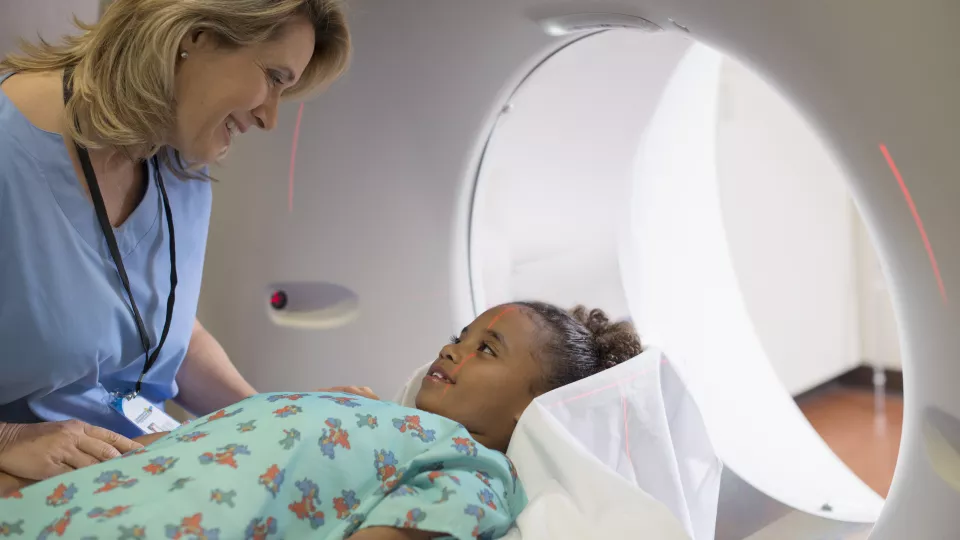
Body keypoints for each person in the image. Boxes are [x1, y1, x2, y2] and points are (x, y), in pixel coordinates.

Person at [0, 0, 351, 487]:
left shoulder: (176, 160)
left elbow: (162, 330)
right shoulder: (7, 151)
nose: (270, 117)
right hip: (40, 481)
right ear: (195, 35)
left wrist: (278, 419)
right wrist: (8, 439)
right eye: (273, 77)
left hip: (140, 463)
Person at [0, 302, 643, 539]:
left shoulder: (473, 469)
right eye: (460, 335)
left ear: (530, 411)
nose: (453, 350)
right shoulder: (368, 411)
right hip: (85, 494)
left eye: (488, 351)